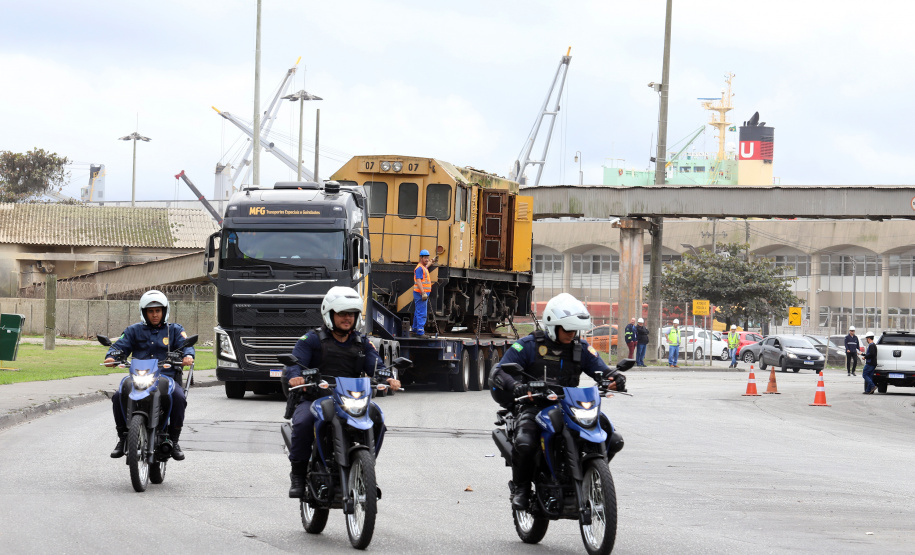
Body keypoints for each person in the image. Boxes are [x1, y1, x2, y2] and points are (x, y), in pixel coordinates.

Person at [490, 293, 627, 511]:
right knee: (525, 442)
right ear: (553, 326)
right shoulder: (528, 345)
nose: (572, 334)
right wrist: (517, 386)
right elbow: (500, 371)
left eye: (575, 330)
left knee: (613, 437)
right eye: (567, 329)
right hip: (535, 405)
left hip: (570, 405)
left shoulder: (580, 348)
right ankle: (521, 488)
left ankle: (592, 476)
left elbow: (601, 369)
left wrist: (613, 378)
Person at [285, 287, 402, 497]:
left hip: (349, 398)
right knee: (302, 423)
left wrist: (387, 378)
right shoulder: (312, 339)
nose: (347, 318)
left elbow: (375, 365)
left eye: (351, 314)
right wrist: (296, 376)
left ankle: (365, 471)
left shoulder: (361, 342)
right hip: (316, 398)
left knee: (377, 418)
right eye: (342, 313)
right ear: (330, 314)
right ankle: (298, 475)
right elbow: (295, 364)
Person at [106, 290, 195, 461]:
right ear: (144, 312)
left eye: (158, 311)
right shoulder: (133, 330)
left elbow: (186, 345)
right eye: (151, 311)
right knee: (118, 396)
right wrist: (112, 357)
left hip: (166, 377)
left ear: (164, 311)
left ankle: (174, 440)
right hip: (138, 377)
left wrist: (187, 356)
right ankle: (123, 437)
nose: (155, 315)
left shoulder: (174, 330)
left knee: (178, 397)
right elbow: (119, 346)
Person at [412, 249, 437, 336]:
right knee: (422, 312)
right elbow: (418, 281)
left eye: (428, 258)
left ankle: (415, 329)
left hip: (421, 293)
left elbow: (427, 265)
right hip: (420, 294)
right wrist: (423, 293)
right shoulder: (419, 268)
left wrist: (432, 261)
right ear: (421, 258)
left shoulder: (423, 267)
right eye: (425, 258)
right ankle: (420, 331)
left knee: (418, 311)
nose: (427, 259)